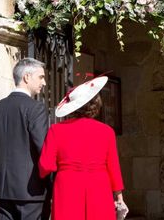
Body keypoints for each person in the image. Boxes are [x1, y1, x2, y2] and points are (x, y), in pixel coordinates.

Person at [39, 76, 127, 220]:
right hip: (99, 185)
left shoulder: (56, 130)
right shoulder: (106, 131)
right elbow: (113, 167)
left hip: (67, 185)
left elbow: (45, 166)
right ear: (96, 105)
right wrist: (119, 197)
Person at [0, 57, 51, 220]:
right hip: (32, 192)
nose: (43, 83)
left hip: (3, 191)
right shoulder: (36, 108)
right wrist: (51, 185)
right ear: (26, 77)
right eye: (41, 77)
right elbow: (44, 149)